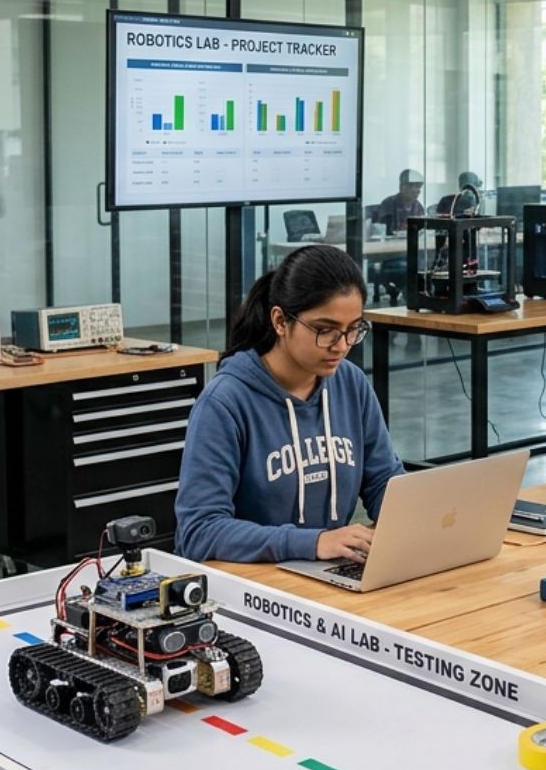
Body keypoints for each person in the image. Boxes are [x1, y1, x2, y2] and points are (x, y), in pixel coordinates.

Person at [175, 244, 405, 563]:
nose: (341, 346)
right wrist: (310, 543)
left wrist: (416, 522)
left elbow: (383, 480)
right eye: (324, 331)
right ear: (281, 321)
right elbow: (198, 532)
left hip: (323, 574)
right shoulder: (225, 403)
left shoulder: (350, 383)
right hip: (251, 589)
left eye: (353, 330)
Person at [366, 168, 425, 302]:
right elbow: (379, 231)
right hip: (391, 255)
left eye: (419, 187)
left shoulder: (418, 207)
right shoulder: (389, 204)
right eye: (413, 186)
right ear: (402, 187)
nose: (417, 191)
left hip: (412, 251)